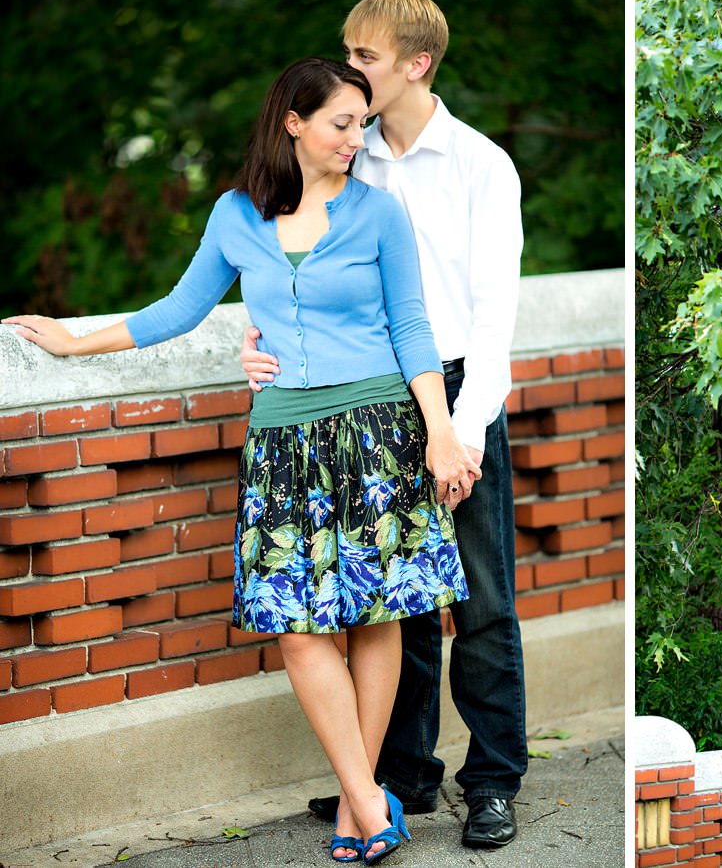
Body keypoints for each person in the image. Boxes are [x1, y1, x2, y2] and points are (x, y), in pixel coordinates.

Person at [4, 57, 479, 865]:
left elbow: (411, 328)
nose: (356, 140)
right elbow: (178, 311)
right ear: (292, 123)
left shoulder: (379, 214)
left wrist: (440, 429)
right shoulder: (235, 216)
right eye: (341, 124)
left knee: (375, 615)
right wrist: (74, 339)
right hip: (283, 442)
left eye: (363, 124)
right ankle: (370, 794)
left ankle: (354, 811)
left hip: (375, 432)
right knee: (297, 628)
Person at [241, 0, 527, 849]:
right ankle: (400, 778)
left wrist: (463, 430)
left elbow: (494, 318)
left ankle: (493, 781)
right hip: (368, 400)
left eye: (363, 58)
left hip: (458, 390)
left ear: (416, 65)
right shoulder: (345, 159)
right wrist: (253, 346)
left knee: (479, 599)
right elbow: (282, 266)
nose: (349, 72)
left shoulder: (480, 165)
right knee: (393, 600)